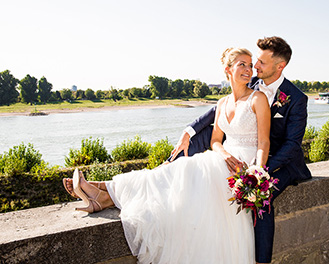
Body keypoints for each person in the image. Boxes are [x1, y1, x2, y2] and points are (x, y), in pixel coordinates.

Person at [63, 47, 271, 263]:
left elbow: (264, 141)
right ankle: (103, 192)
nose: (249, 69)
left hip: (243, 167)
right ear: (228, 70)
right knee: (173, 173)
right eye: (242, 64)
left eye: (250, 64)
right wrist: (225, 155)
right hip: (223, 158)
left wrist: (257, 173)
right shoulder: (221, 103)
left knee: (181, 173)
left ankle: (103, 192)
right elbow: (215, 141)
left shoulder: (258, 99)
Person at [168, 36, 312, 264]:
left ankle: (261, 261)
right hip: (247, 152)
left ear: (280, 66)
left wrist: (258, 171)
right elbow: (216, 111)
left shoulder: (296, 98)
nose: (255, 67)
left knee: (262, 196)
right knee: (204, 135)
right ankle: (171, 167)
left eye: (261, 62)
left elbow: (292, 146)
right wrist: (188, 131)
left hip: (282, 162)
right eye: (255, 61)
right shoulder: (251, 83)